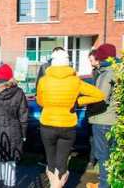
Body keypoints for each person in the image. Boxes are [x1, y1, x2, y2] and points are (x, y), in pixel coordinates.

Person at [37, 49, 104, 187]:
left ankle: (52, 184)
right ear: (68, 64)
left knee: (51, 161)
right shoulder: (75, 81)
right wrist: (77, 102)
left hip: (47, 125)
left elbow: (40, 101)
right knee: (62, 164)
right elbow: (99, 95)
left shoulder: (44, 81)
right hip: (67, 126)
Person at [0, 64, 28, 188]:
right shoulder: (18, 92)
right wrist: (24, 135)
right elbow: (23, 116)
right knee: (11, 165)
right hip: (13, 134)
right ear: (10, 77)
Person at [86, 44, 118, 188]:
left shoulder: (108, 73)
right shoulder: (116, 71)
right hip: (114, 120)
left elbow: (101, 97)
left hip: (103, 120)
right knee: (112, 157)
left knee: (103, 157)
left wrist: (83, 101)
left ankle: (104, 185)